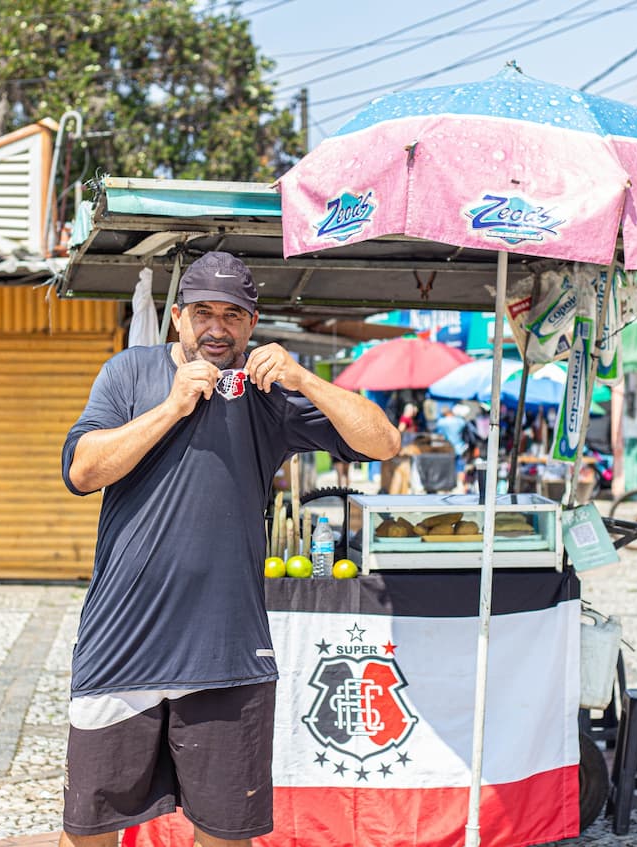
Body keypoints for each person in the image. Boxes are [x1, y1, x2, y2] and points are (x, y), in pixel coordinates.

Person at [59, 251, 400, 847]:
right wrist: (172, 406)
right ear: (178, 319)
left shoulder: (269, 392)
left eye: (232, 315)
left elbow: (383, 442)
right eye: (202, 313)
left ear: (251, 322)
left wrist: (305, 379)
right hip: (120, 644)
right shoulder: (129, 373)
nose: (216, 328)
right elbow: (83, 471)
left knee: (225, 834)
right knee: (89, 830)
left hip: (227, 652)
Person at [434, 403, 471, 491]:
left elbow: (439, 435)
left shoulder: (441, 422)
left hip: (447, 449)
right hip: (460, 448)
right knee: (460, 468)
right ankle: (460, 486)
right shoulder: (460, 421)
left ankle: (448, 486)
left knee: (448, 468)